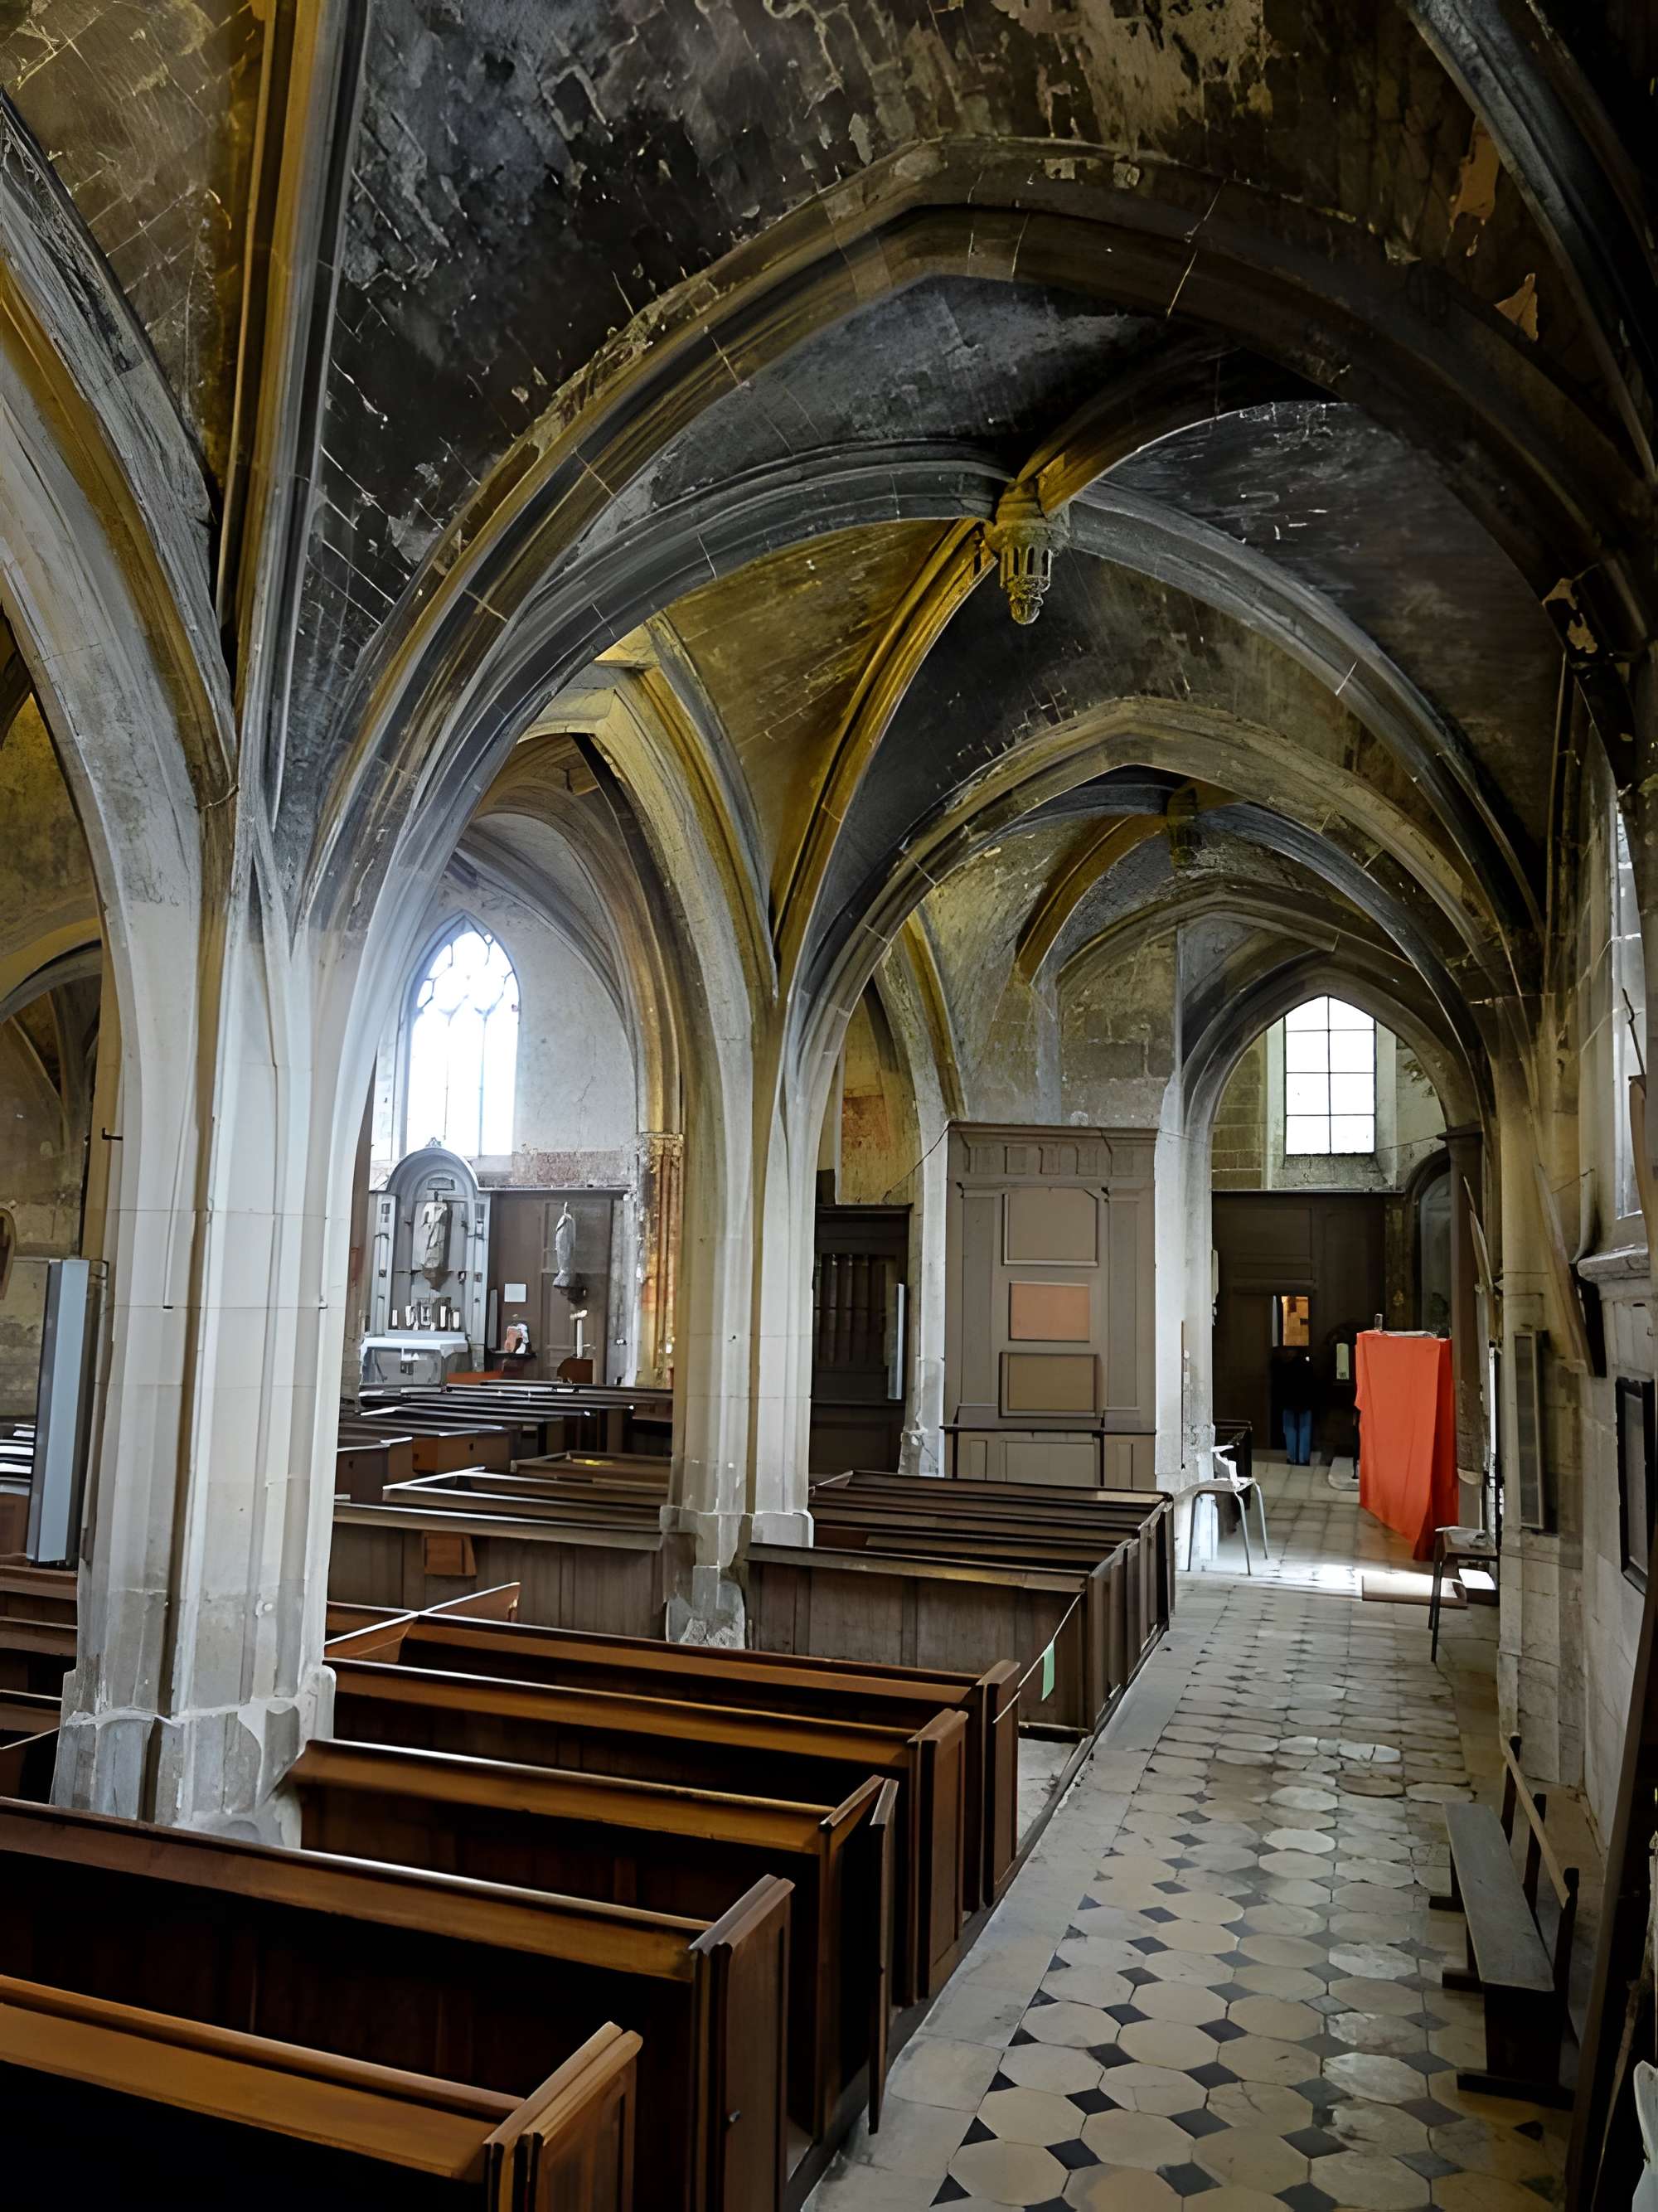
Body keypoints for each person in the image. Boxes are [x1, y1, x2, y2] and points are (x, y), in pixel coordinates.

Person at [1278, 1348, 1319, 1464]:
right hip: (1306, 1403)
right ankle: (1303, 1458)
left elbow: (1281, 1388)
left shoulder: (1285, 1367)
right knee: (1305, 1430)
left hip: (1289, 1403)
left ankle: (1292, 1457)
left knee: (1290, 1429)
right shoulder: (1308, 1367)